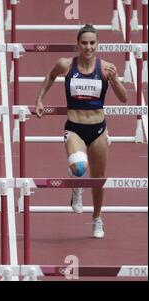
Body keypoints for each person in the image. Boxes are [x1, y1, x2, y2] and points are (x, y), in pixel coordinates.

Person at [35, 24, 127, 238]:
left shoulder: (106, 68)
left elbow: (124, 98)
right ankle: (77, 186)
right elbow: (50, 76)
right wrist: (40, 99)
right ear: (78, 44)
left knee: (98, 179)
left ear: (98, 44)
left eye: (92, 43)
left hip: (99, 130)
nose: (88, 47)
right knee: (78, 167)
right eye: (84, 43)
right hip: (75, 128)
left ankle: (97, 219)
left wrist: (114, 80)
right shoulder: (66, 65)